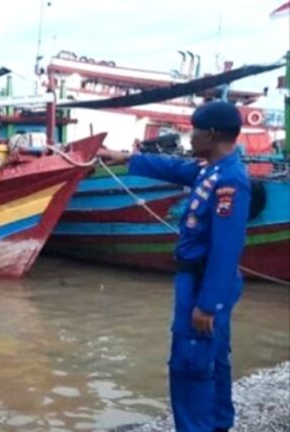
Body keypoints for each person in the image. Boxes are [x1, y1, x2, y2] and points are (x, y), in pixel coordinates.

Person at [98, 100, 251, 432]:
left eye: (193, 131)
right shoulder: (212, 169)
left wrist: (207, 305)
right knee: (215, 359)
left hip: (204, 284)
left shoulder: (230, 182)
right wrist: (126, 158)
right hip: (205, 281)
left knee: (190, 365)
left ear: (210, 134)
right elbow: (175, 169)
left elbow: (227, 250)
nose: (190, 137)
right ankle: (219, 424)